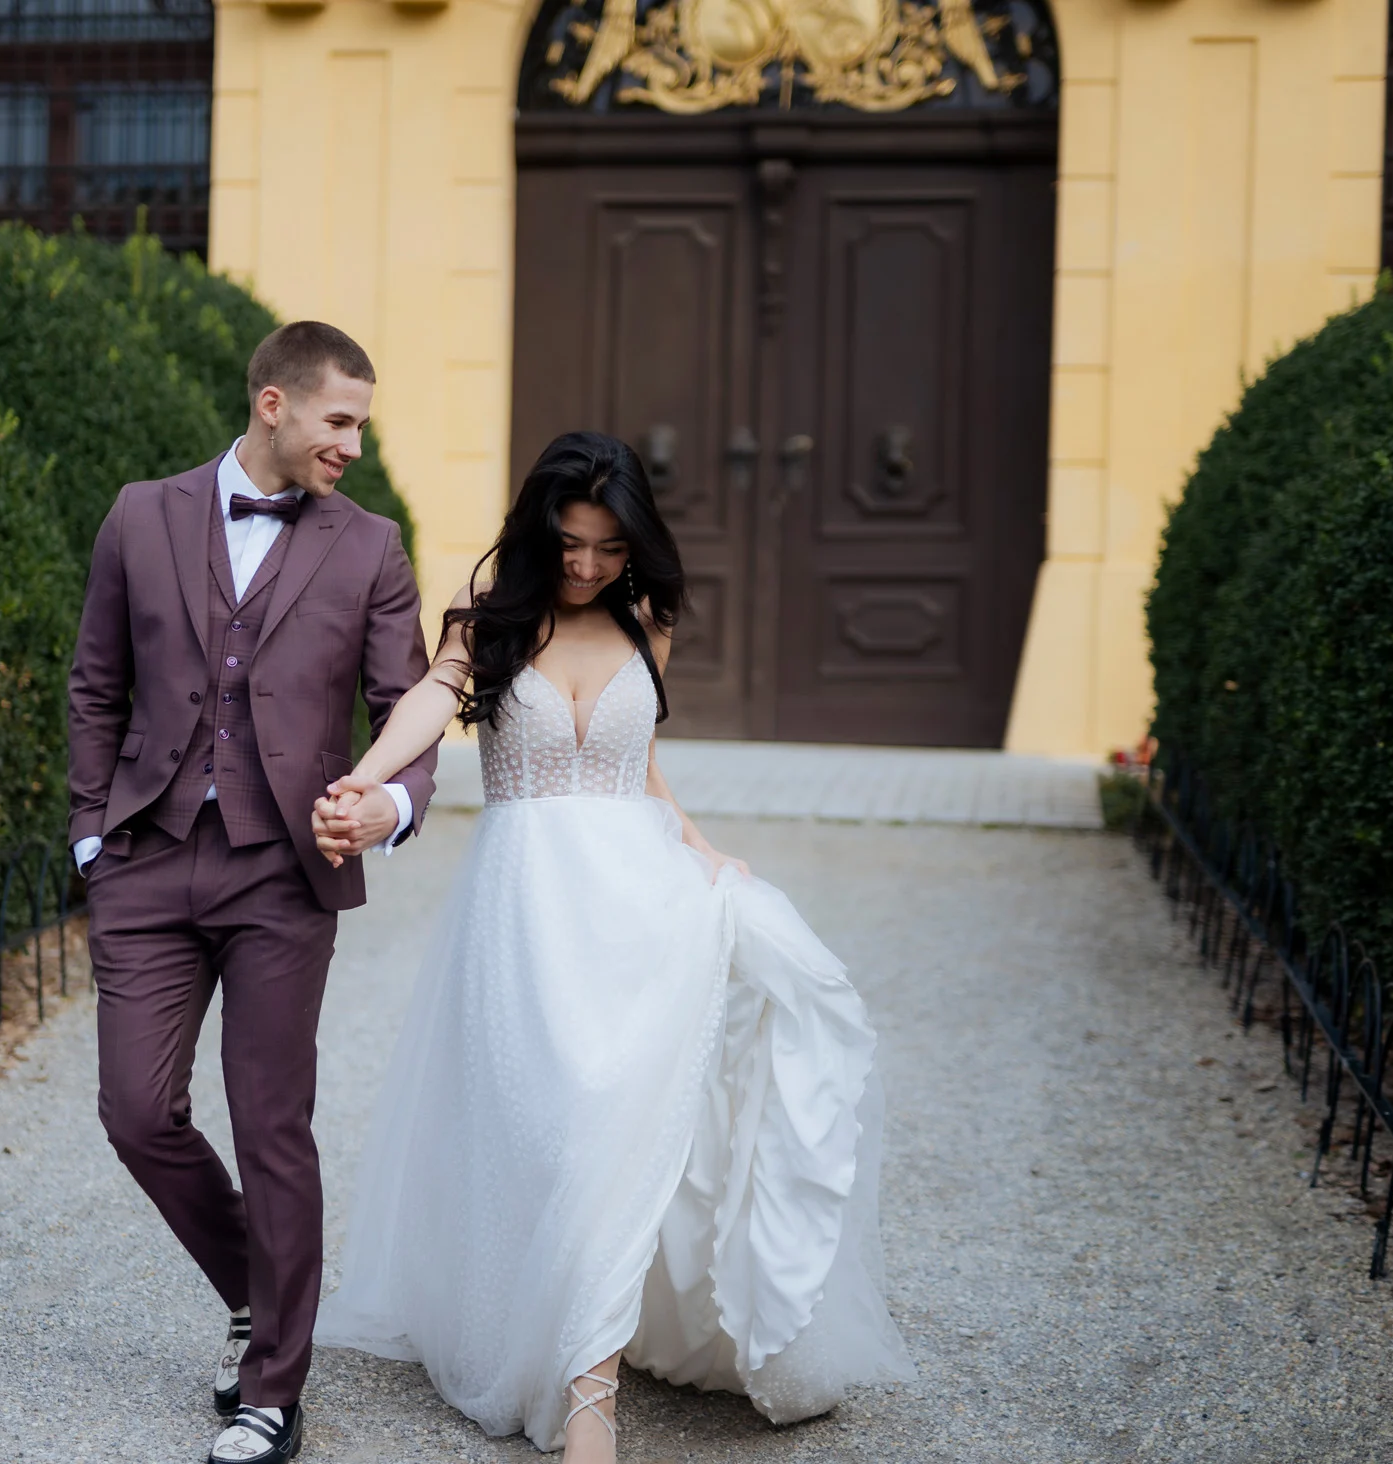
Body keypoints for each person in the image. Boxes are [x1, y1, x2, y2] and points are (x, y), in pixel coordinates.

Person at [308, 431, 915, 1460]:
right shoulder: (489, 615)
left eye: (608, 546)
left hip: (639, 897)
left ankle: (591, 1387)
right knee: (551, 1122)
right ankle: (557, 1341)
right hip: (527, 907)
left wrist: (703, 849)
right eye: (569, 544)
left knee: (618, 1121)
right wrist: (366, 778)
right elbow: (431, 698)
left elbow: (639, 763)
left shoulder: (648, 617)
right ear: (538, 531)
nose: (587, 566)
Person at [65, 321, 442, 1464]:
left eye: (362, 425)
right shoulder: (140, 515)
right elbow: (95, 684)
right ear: (273, 404)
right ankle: (259, 1290)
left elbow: (408, 708)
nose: (354, 447)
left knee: (272, 1121)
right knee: (136, 1112)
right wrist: (91, 838)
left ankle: (274, 1388)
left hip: (284, 870)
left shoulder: (370, 549)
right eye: (340, 421)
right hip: (146, 857)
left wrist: (390, 805)